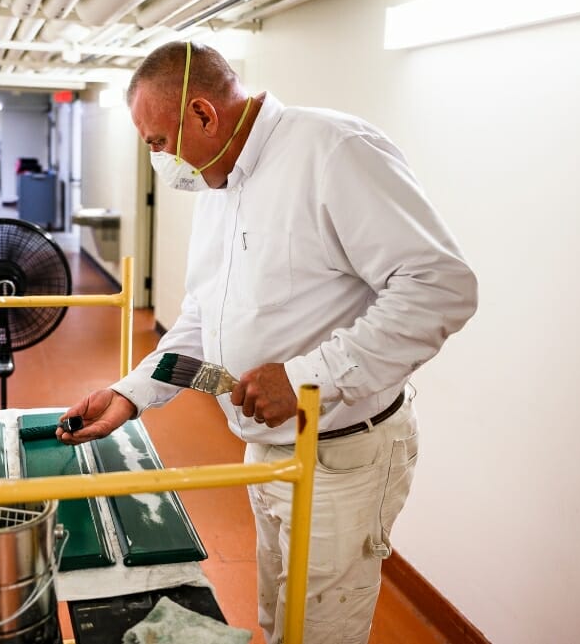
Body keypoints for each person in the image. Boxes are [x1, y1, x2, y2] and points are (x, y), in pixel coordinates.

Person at [57, 41, 478, 644]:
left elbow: (441, 288)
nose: (159, 159)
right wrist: (129, 396)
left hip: (341, 456)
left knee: (320, 632)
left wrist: (310, 378)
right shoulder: (216, 185)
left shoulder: (333, 152)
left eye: (157, 141)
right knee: (277, 619)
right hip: (266, 450)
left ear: (204, 115)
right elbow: (202, 320)